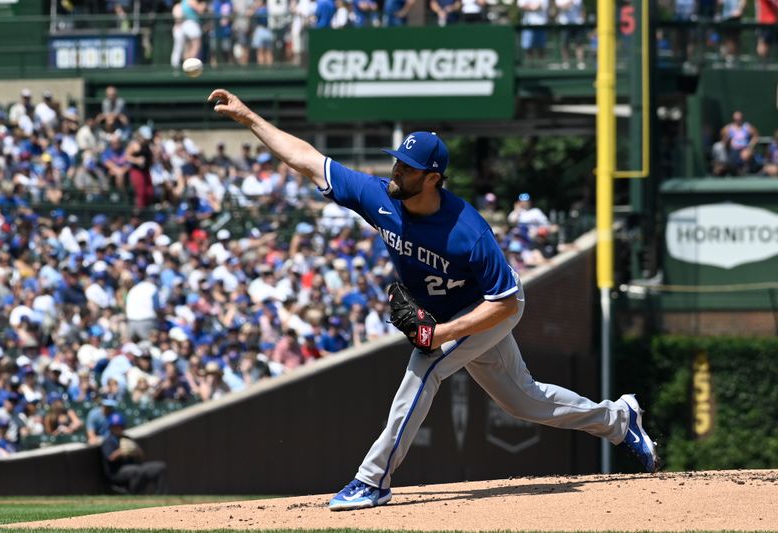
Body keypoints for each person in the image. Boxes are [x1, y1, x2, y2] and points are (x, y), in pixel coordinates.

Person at [208, 88, 662, 512]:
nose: (395, 171)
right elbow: (307, 160)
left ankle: (373, 480)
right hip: (452, 314)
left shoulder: (468, 230)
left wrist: (441, 334)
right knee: (526, 402)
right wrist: (248, 117)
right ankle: (620, 419)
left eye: (406, 167)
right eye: (396, 162)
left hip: (491, 308)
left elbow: (504, 303)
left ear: (432, 178)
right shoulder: (380, 198)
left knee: (425, 366)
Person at [101, 413, 167, 494]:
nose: (117, 428)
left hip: (134, 466)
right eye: (115, 427)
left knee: (160, 467)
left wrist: (135, 451)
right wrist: (122, 451)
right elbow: (110, 458)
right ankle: (134, 495)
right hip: (117, 471)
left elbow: (141, 455)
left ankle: (160, 496)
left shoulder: (127, 438)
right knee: (137, 471)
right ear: (111, 428)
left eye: (119, 426)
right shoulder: (108, 441)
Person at [720, 111, 759, 175]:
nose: (738, 120)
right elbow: (723, 136)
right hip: (733, 150)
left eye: (739, 119)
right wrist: (727, 142)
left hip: (745, 149)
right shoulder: (728, 128)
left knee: (746, 155)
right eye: (736, 119)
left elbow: (755, 136)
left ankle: (744, 170)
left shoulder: (747, 126)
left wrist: (750, 147)